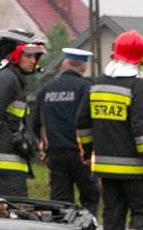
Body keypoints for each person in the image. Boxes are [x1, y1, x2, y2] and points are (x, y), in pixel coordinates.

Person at [76, 29, 143, 230]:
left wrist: (88, 153)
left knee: (112, 216)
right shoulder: (138, 86)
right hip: (135, 169)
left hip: (105, 169)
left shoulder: (97, 84)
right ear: (139, 58)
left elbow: (82, 123)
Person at [0, 42, 46, 197]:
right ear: (15, 56)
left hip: (9, 163)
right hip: (2, 163)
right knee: (13, 211)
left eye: (36, 56)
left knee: (15, 210)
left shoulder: (15, 80)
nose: (33, 61)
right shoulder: (6, 80)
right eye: (28, 55)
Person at [32, 48, 100, 215]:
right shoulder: (87, 88)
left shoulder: (46, 90)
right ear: (83, 67)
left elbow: (35, 123)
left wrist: (45, 146)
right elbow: (94, 121)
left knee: (60, 202)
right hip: (82, 154)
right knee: (90, 198)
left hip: (55, 154)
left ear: (64, 64)